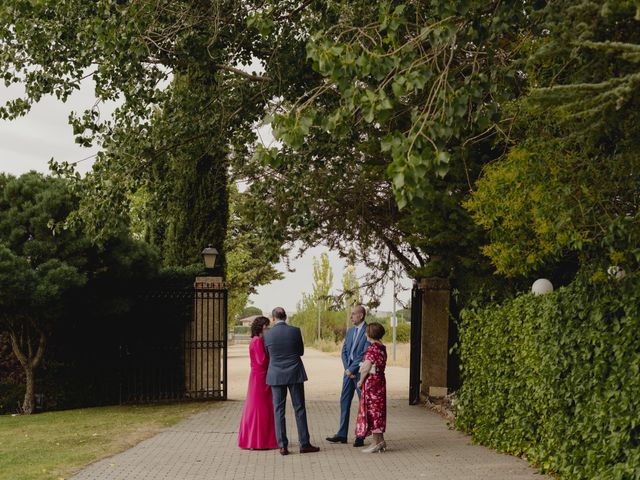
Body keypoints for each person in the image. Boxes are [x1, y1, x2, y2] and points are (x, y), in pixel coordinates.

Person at [263, 307, 320, 456]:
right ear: (286, 317)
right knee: (299, 408)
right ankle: (304, 444)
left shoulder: (268, 335)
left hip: (276, 375)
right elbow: (300, 351)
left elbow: (268, 353)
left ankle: (282, 445)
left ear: (273, 318)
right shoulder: (295, 331)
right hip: (295, 373)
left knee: (278, 410)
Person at [326, 305, 369, 447]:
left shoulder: (368, 331)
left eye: (353, 314)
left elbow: (364, 353)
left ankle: (360, 435)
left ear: (361, 315)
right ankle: (342, 434)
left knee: (363, 405)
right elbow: (344, 351)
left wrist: (352, 369)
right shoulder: (350, 331)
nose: (350, 317)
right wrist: (347, 370)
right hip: (348, 374)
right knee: (344, 402)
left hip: (360, 373)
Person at [238, 316, 278, 450]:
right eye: (266, 326)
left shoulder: (256, 340)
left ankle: (259, 439)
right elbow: (262, 361)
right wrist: (274, 360)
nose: (268, 329)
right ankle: (259, 441)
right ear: (261, 327)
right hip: (260, 377)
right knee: (260, 408)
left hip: (259, 377)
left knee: (260, 407)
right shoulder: (257, 341)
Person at [355, 322, 387, 453]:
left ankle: (376, 442)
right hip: (380, 381)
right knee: (379, 410)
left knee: (372, 411)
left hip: (372, 383)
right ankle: (380, 441)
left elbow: (367, 366)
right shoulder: (382, 348)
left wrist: (361, 380)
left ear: (370, 334)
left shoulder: (372, 349)